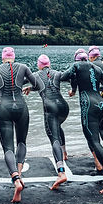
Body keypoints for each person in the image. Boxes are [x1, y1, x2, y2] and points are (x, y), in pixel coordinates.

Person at [0, 47, 40, 202]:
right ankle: (20, 175)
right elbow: (37, 84)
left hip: (4, 107)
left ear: (3, 58)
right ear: (13, 58)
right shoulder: (23, 67)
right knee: (22, 142)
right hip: (21, 107)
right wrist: (25, 86)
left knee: (8, 147)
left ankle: (15, 180)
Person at [59, 49, 103, 193]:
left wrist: (74, 81)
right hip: (101, 104)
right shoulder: (97, 68)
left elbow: (63, 76)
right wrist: (93, 87)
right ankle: (98, 164)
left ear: (77, 59)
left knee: (93, 140)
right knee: (94, 136)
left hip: (88, 105)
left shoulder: (77, 66)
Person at [31, 54, 70, 190]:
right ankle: (64, 153)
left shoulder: (35, 75)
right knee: (57, 127)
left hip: (50, 108)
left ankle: (61, 172)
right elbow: (71, 77)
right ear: (49, 64)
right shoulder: (58, 73)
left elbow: (21, 81)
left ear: (39, 65)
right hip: (63, 107)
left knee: (54, 139)